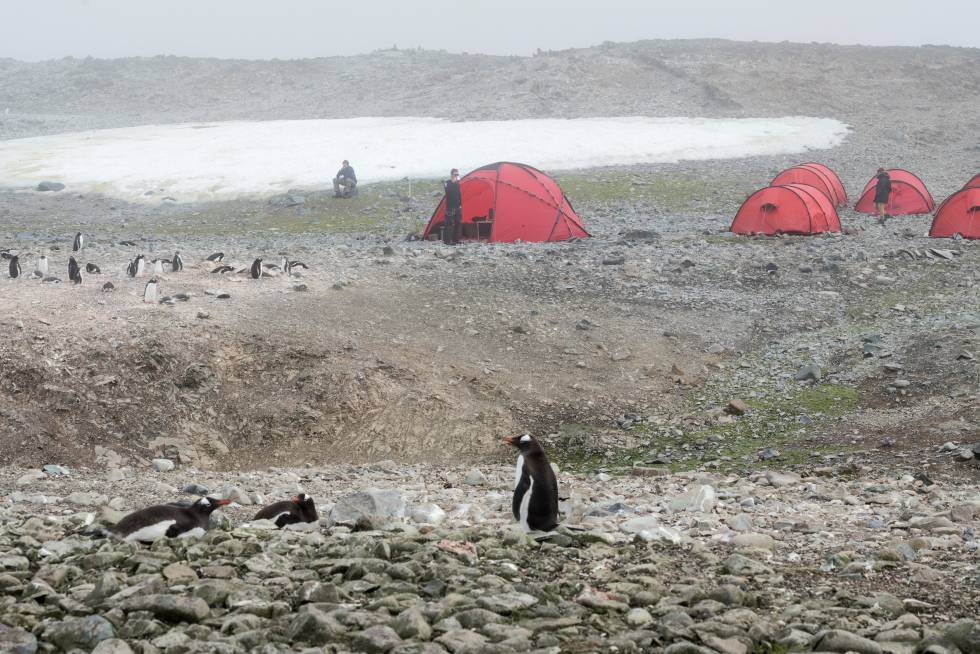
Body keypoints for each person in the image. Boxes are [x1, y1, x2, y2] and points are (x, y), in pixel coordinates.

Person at [443, 168, 462, 245]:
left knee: (458, 223)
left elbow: (459, 194)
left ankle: (455, 239)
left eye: (457, 174)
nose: (456, 176)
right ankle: (447, 241)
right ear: (451, 174)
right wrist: (453, 181)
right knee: (449, 224)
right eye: (455, 174)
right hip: (450, 207)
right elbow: (448, 191)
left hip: (457, 206)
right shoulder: (447, 183)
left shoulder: (458, 183)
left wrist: (460, 204)